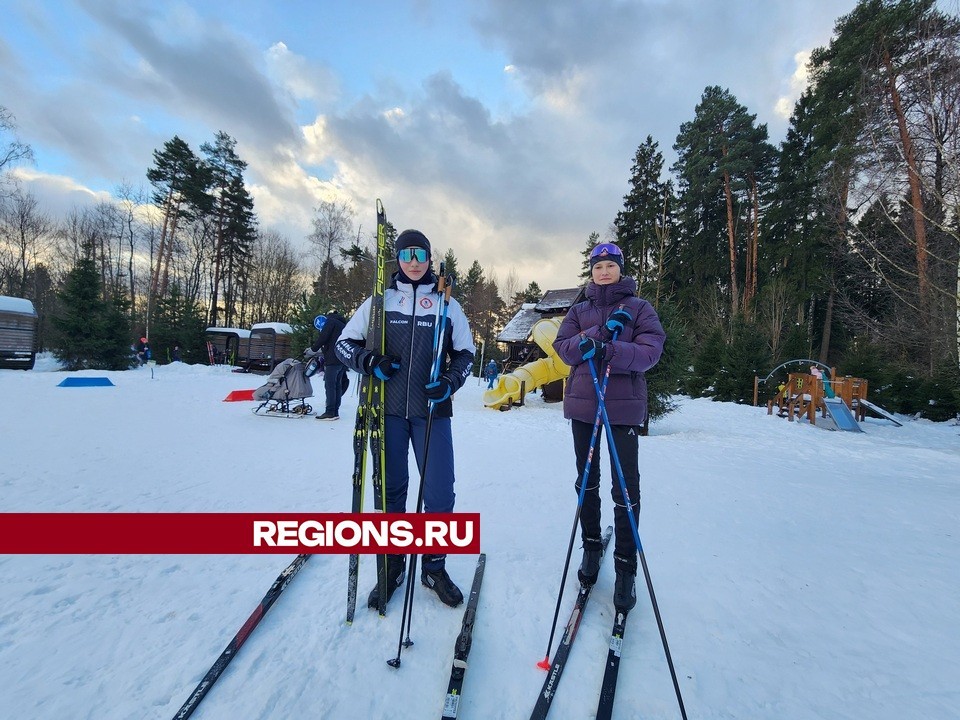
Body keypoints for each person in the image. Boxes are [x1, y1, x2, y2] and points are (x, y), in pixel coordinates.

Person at [336, 229, 475, 610]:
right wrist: (368, 361)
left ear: (430, 259)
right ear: (396, 259)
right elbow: (344, 344)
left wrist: (449, 382)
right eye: (407, 254)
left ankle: (433, 565)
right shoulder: (379, 303)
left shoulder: (448, 304)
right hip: (387, 412)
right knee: (391, 492)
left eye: (421, 254)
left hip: (432, 413)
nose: (414, 261)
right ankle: (392, 563)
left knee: (440, 493)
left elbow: (466, 355)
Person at [553, 242, 666, 613]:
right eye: (598, 265)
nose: (604, 271)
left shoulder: (639, 308)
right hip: (585, 405)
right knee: (586, 479)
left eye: (610, 265)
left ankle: (625, 565)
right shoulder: (579, 309)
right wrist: (600, 335)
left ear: (620, 269)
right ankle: (590, 545)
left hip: (622, 408)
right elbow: (564, 348)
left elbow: (650, 352)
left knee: (625, 485)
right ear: (591, 271)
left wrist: (610, 351)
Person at [309, 310, 348, 420]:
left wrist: (313, 349)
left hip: (332, 360)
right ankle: (335, 411)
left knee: (330, 386)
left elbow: (323, 337)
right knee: (337, 386)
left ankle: (330, 412)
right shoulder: (343, 325)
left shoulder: (330, 322)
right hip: (341, 359)